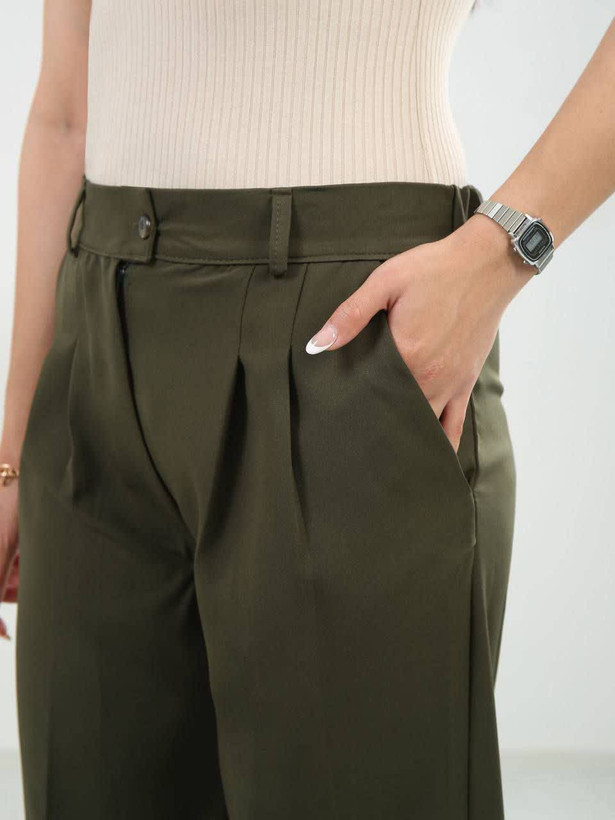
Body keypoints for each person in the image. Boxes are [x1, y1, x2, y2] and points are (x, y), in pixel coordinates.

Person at [0, 1, 613, 817]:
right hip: (94, 347)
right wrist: (14, 448)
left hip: (348, 335)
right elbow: (65, 112)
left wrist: (504, 248)